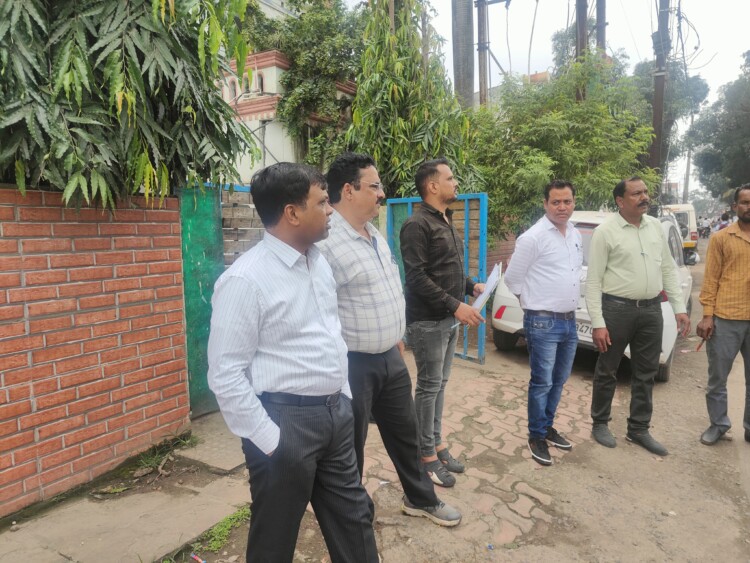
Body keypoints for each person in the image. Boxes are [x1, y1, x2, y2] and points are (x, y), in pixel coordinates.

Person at [207, 163, 379, 563]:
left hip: (336, 416)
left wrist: (343, 397)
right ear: (292, 213)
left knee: (355, 523)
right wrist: (271, 440)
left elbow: (329, 333)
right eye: (322, 202)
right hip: (284, 423)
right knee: (274, 539)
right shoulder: (245, 280)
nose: (331, 210)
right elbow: (226, 374)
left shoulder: (318, 261)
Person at [317, 152, 462, 527]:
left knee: (405, 434)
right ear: (349, 190)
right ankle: (353, 511)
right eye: (375, 185)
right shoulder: (325, 243)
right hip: (352, 363)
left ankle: (421, 499)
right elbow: (319, 310)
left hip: (391, 356)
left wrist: (396, 335)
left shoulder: (374, 233)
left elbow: (387, 288)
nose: (382, 193)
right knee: (351, 442)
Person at [586, 176, 690, 457]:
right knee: (608, 369)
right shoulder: (605, 232)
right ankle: (600, 423)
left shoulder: (654, 226)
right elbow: (593, 281)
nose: (644, 197)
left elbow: (667, 269)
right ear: (620, 201)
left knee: (646, 372)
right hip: (616, 310)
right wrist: (598, 323)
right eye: (636, 193)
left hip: (651, 310)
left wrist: (679, 307)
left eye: (645, 192)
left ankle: (639, 428)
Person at [400, 158, 485, 487]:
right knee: (428, 387)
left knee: (439, 385)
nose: (456, 183)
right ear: (433, 186)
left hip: (447, 320)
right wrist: (456, 306)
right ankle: (425, 457)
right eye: (450, 178)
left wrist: (471, 287)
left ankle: (436, 444)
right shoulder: (416, 224)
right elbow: (416, 277)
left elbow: (447, 269)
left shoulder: (445, 220)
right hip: (428, 322)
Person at [504, 180, 583, 466]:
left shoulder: (574, 233)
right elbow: (512, 279)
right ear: (545, 204)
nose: (562, 207)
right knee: (542, 382)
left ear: (573, 202)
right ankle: (536, 435)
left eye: (567, 201)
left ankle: (547, 427)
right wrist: (531, 305)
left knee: (559, 380)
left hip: (569, 321)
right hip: (543, 323)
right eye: (556, 202)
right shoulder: (533, 238)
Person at [697, 184, 750, 446]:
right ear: (735, 206)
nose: (749, 207)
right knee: (717, 378)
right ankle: (719, 424)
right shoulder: (721, 238)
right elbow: (711, 279)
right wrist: (708, 315)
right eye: (745, 202)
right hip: (726, 317)